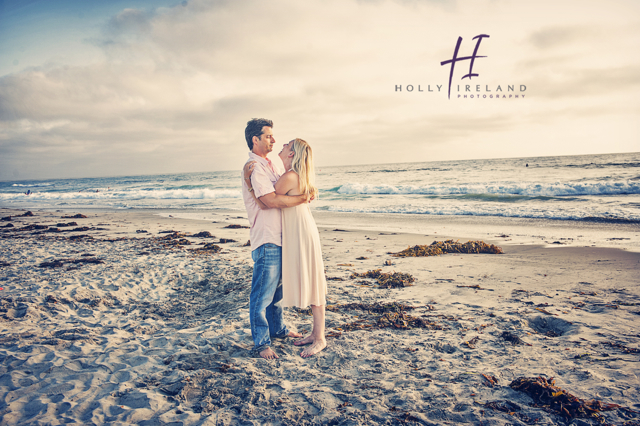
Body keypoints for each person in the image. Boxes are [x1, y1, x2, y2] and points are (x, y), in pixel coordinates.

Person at [245, 138, 328, 358]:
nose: (281, 145)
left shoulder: (289, 176)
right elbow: (272, 200)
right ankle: (316, 334)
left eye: (286, 145)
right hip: (298, 231)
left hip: (299, 233)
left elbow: (267, 201)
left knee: (312, 282)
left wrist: (248, 182)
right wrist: (302, 197)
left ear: (291, 154)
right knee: (312, 281)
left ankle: (319, 337)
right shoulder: (292, 175)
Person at [241, 118, 307, 360]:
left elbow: (282, 192)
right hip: (267, 238)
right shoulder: (254, 167)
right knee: (261, 294)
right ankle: (261, 344)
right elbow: (269, 201)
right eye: (268, 136)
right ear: (255, 139)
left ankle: (277, 330)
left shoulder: (272, 165)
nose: (274, 140)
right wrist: (301, 199)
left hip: (281, 238)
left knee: (276, 293)